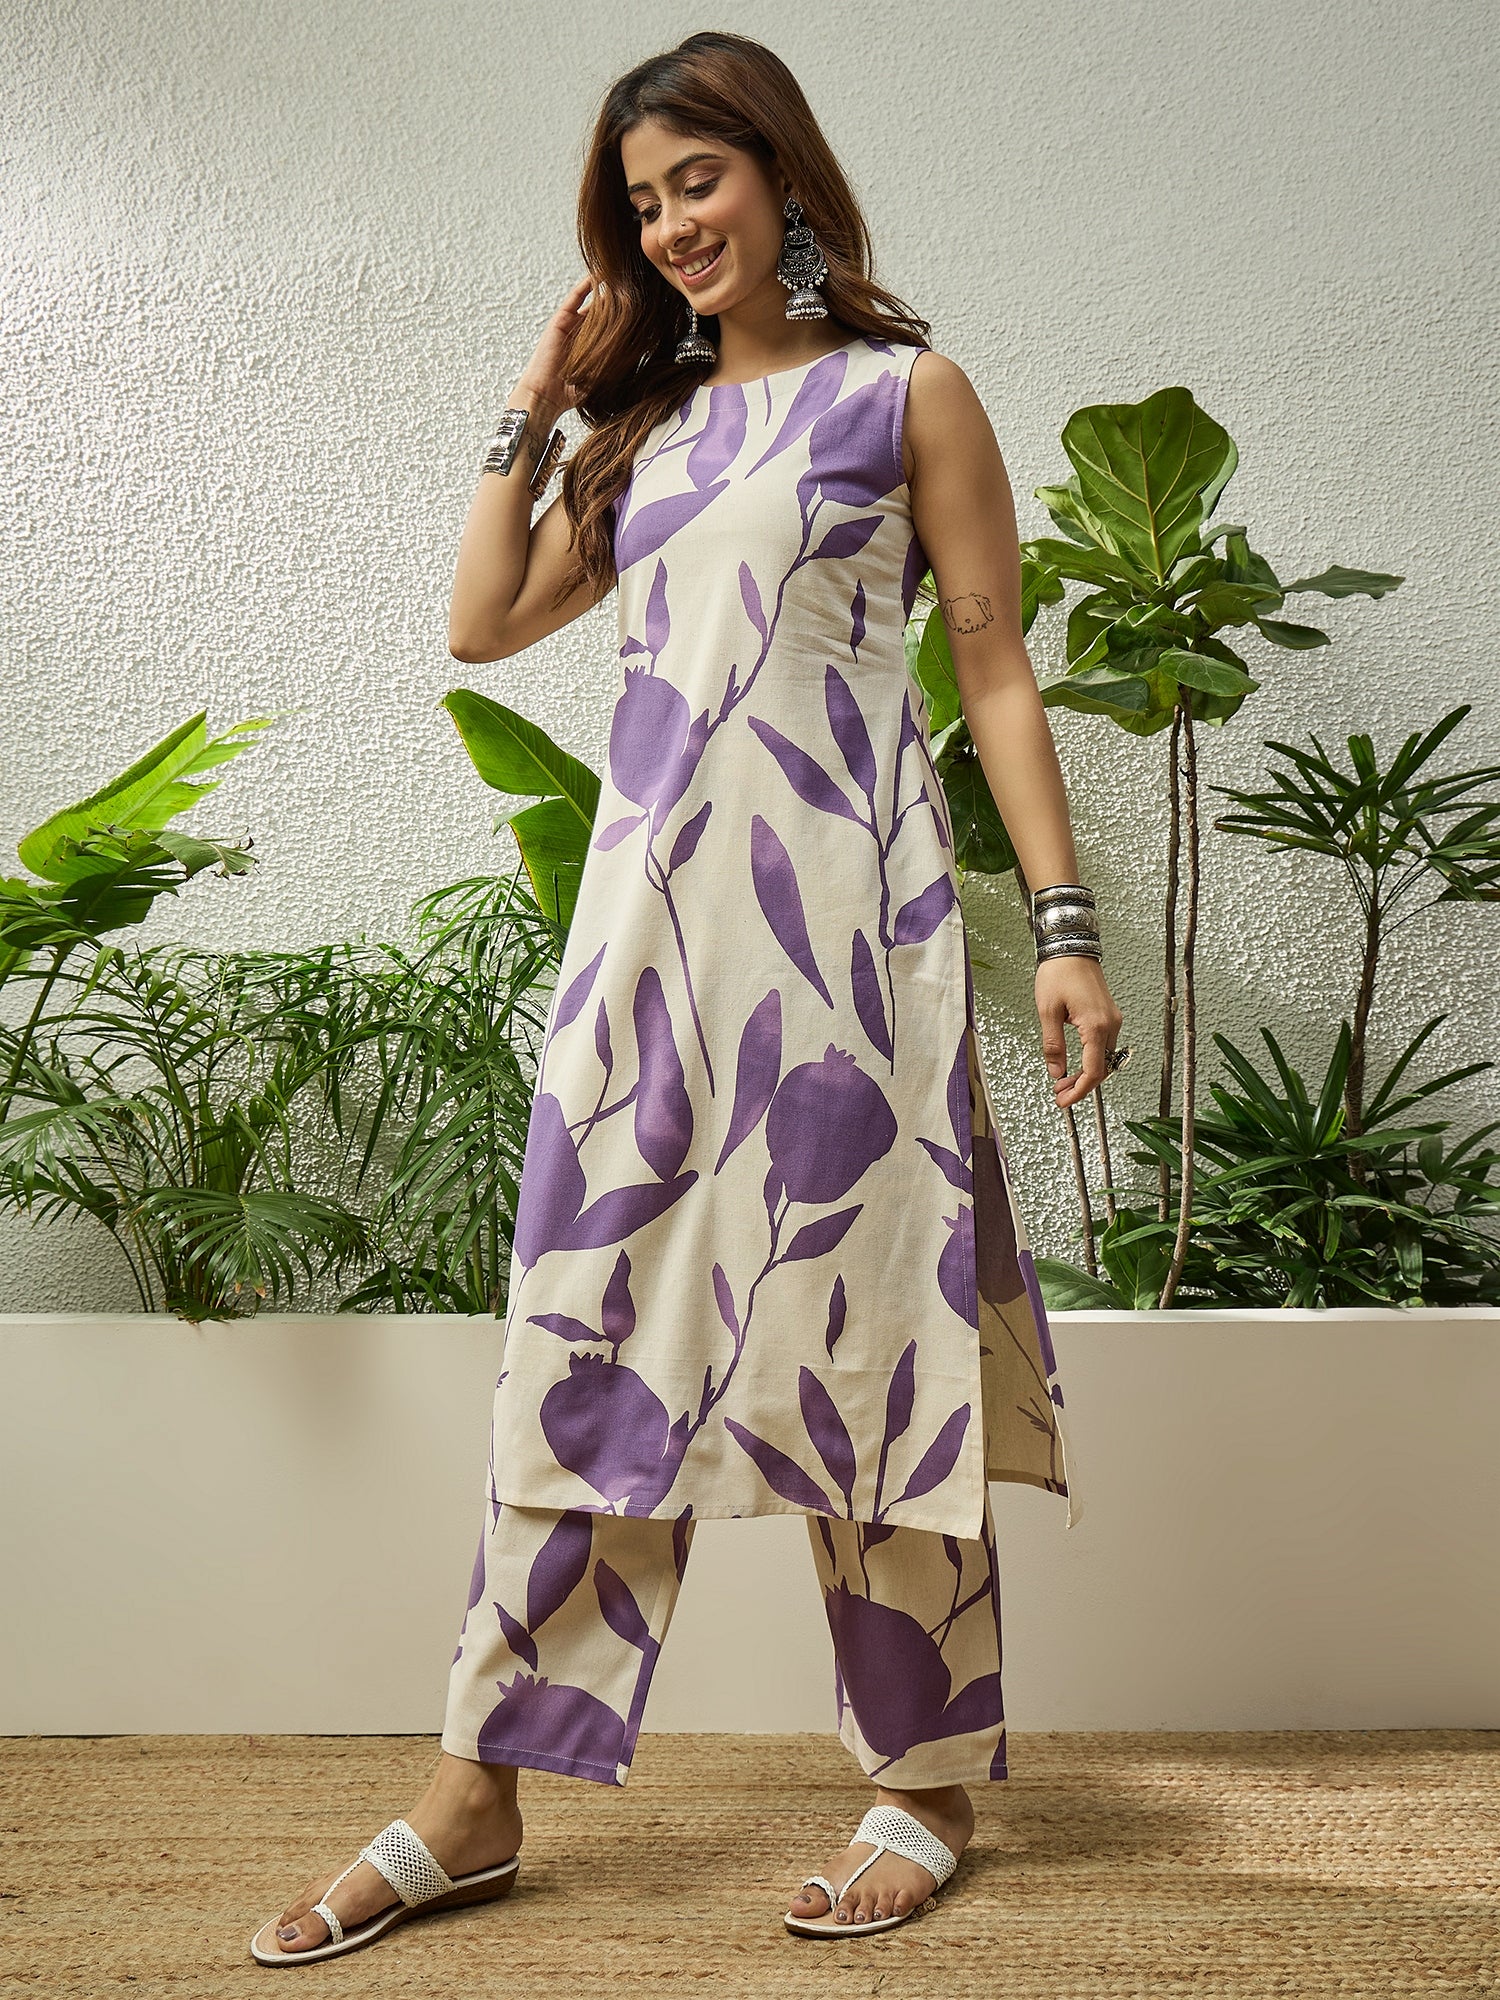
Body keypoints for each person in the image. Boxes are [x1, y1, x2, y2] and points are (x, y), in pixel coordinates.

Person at [250, 28, 1124, 1965]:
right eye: (642, 205)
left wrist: (1063, 925)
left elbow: (992, 666)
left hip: (851, 940)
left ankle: (924, 1783)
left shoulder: (905, 395)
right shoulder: (642, 432)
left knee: (869, 1336)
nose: (669, 227)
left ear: (784, 177)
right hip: (647, 945)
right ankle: (479, 1789)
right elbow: (483, 621)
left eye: (696, 183)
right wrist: (535, 404)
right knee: (588, 1334)